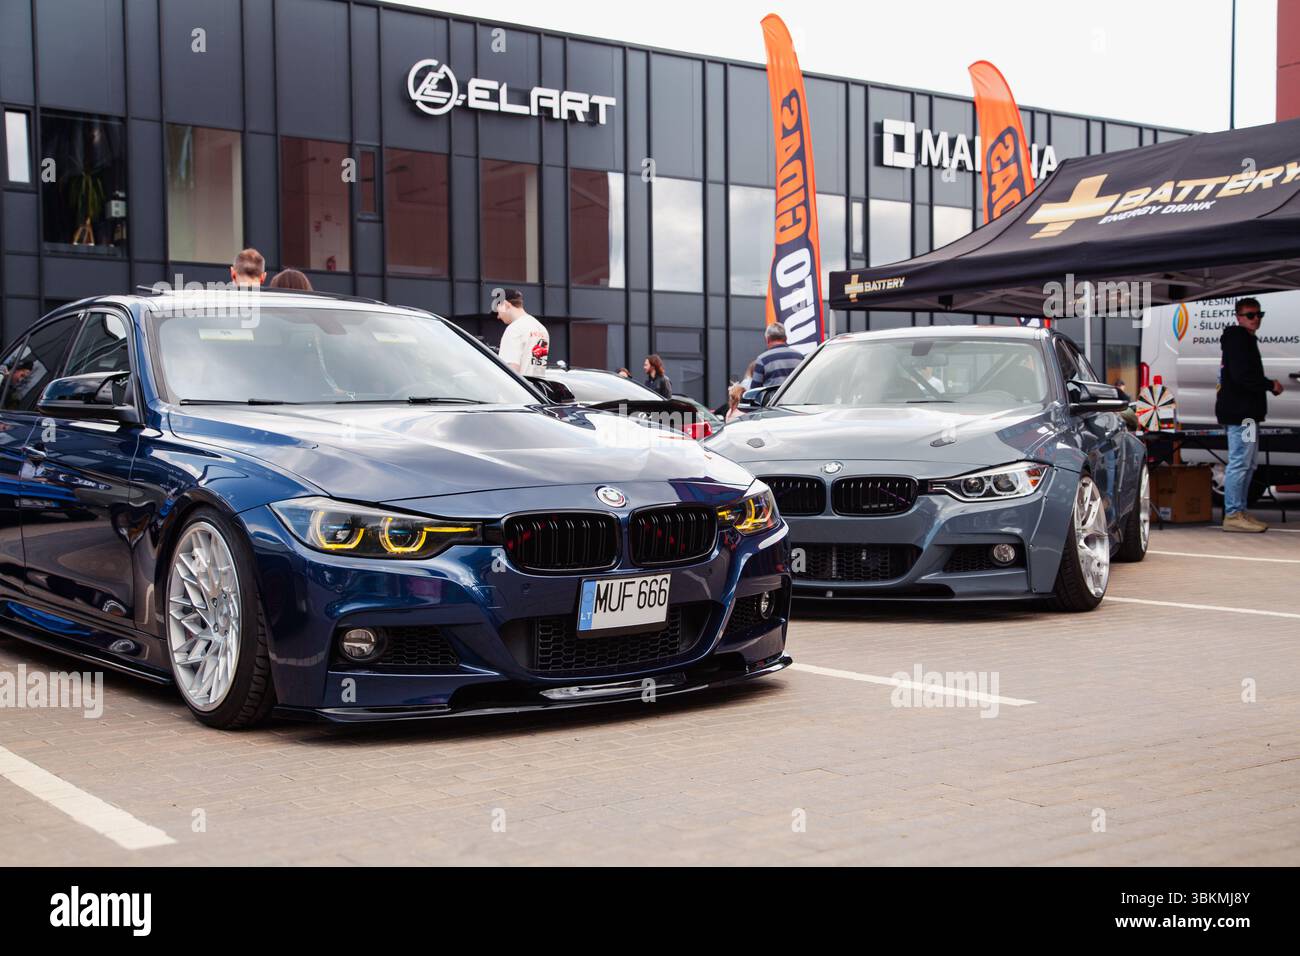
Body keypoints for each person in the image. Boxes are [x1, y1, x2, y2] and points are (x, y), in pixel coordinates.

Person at [1215, 297, 1284, 533]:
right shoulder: (1238, 339)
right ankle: (1233, 514)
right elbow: (1242, 376)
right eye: (1250, 315)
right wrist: (1269, 385)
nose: (1256, 319)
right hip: (1241, 413)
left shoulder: (1244, 339)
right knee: (1241, 462)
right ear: (1239, 316)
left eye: (1258, 315)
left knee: (1249, 463)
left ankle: (1239, 510)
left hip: (1247, 413)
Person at [495, 289, 549, 376]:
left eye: (498, 311)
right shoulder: (541, 328)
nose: (498, 316)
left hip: (517, 388)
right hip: (535, 386)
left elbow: (510, 368)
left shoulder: (514, 329)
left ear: (505, 305)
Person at [750, 323, 803, 391]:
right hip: (795, 400)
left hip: (773, 401)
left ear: (768, 339)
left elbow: (754, 390)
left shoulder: (762, 359)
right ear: (786, 338)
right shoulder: (799, 357)